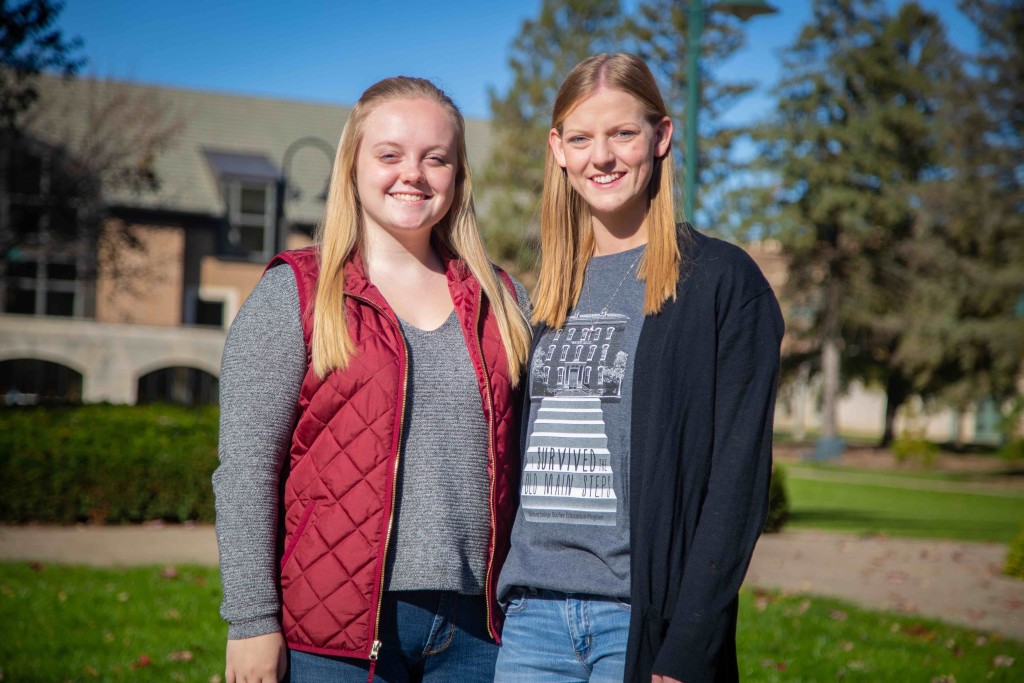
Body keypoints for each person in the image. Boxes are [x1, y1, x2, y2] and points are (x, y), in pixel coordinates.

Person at [213, 76, 532, 683]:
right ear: (353, 165)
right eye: (389, 154)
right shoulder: (297, 294)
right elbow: (247, 470)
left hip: (479, 634)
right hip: (334, 637)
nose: (412, 173)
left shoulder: (502, 300)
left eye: (435, 158)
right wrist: (252, 621)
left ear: (458, 175)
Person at [493, 53, 784, 683]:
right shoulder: (542, 296)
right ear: (558, 150)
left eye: (622, 133)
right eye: (581, 137)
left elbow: (737, 483)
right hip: (530, 622)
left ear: (661, 137)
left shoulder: (720, 283)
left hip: (638, 623)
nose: (602, 156)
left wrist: (688, 645)